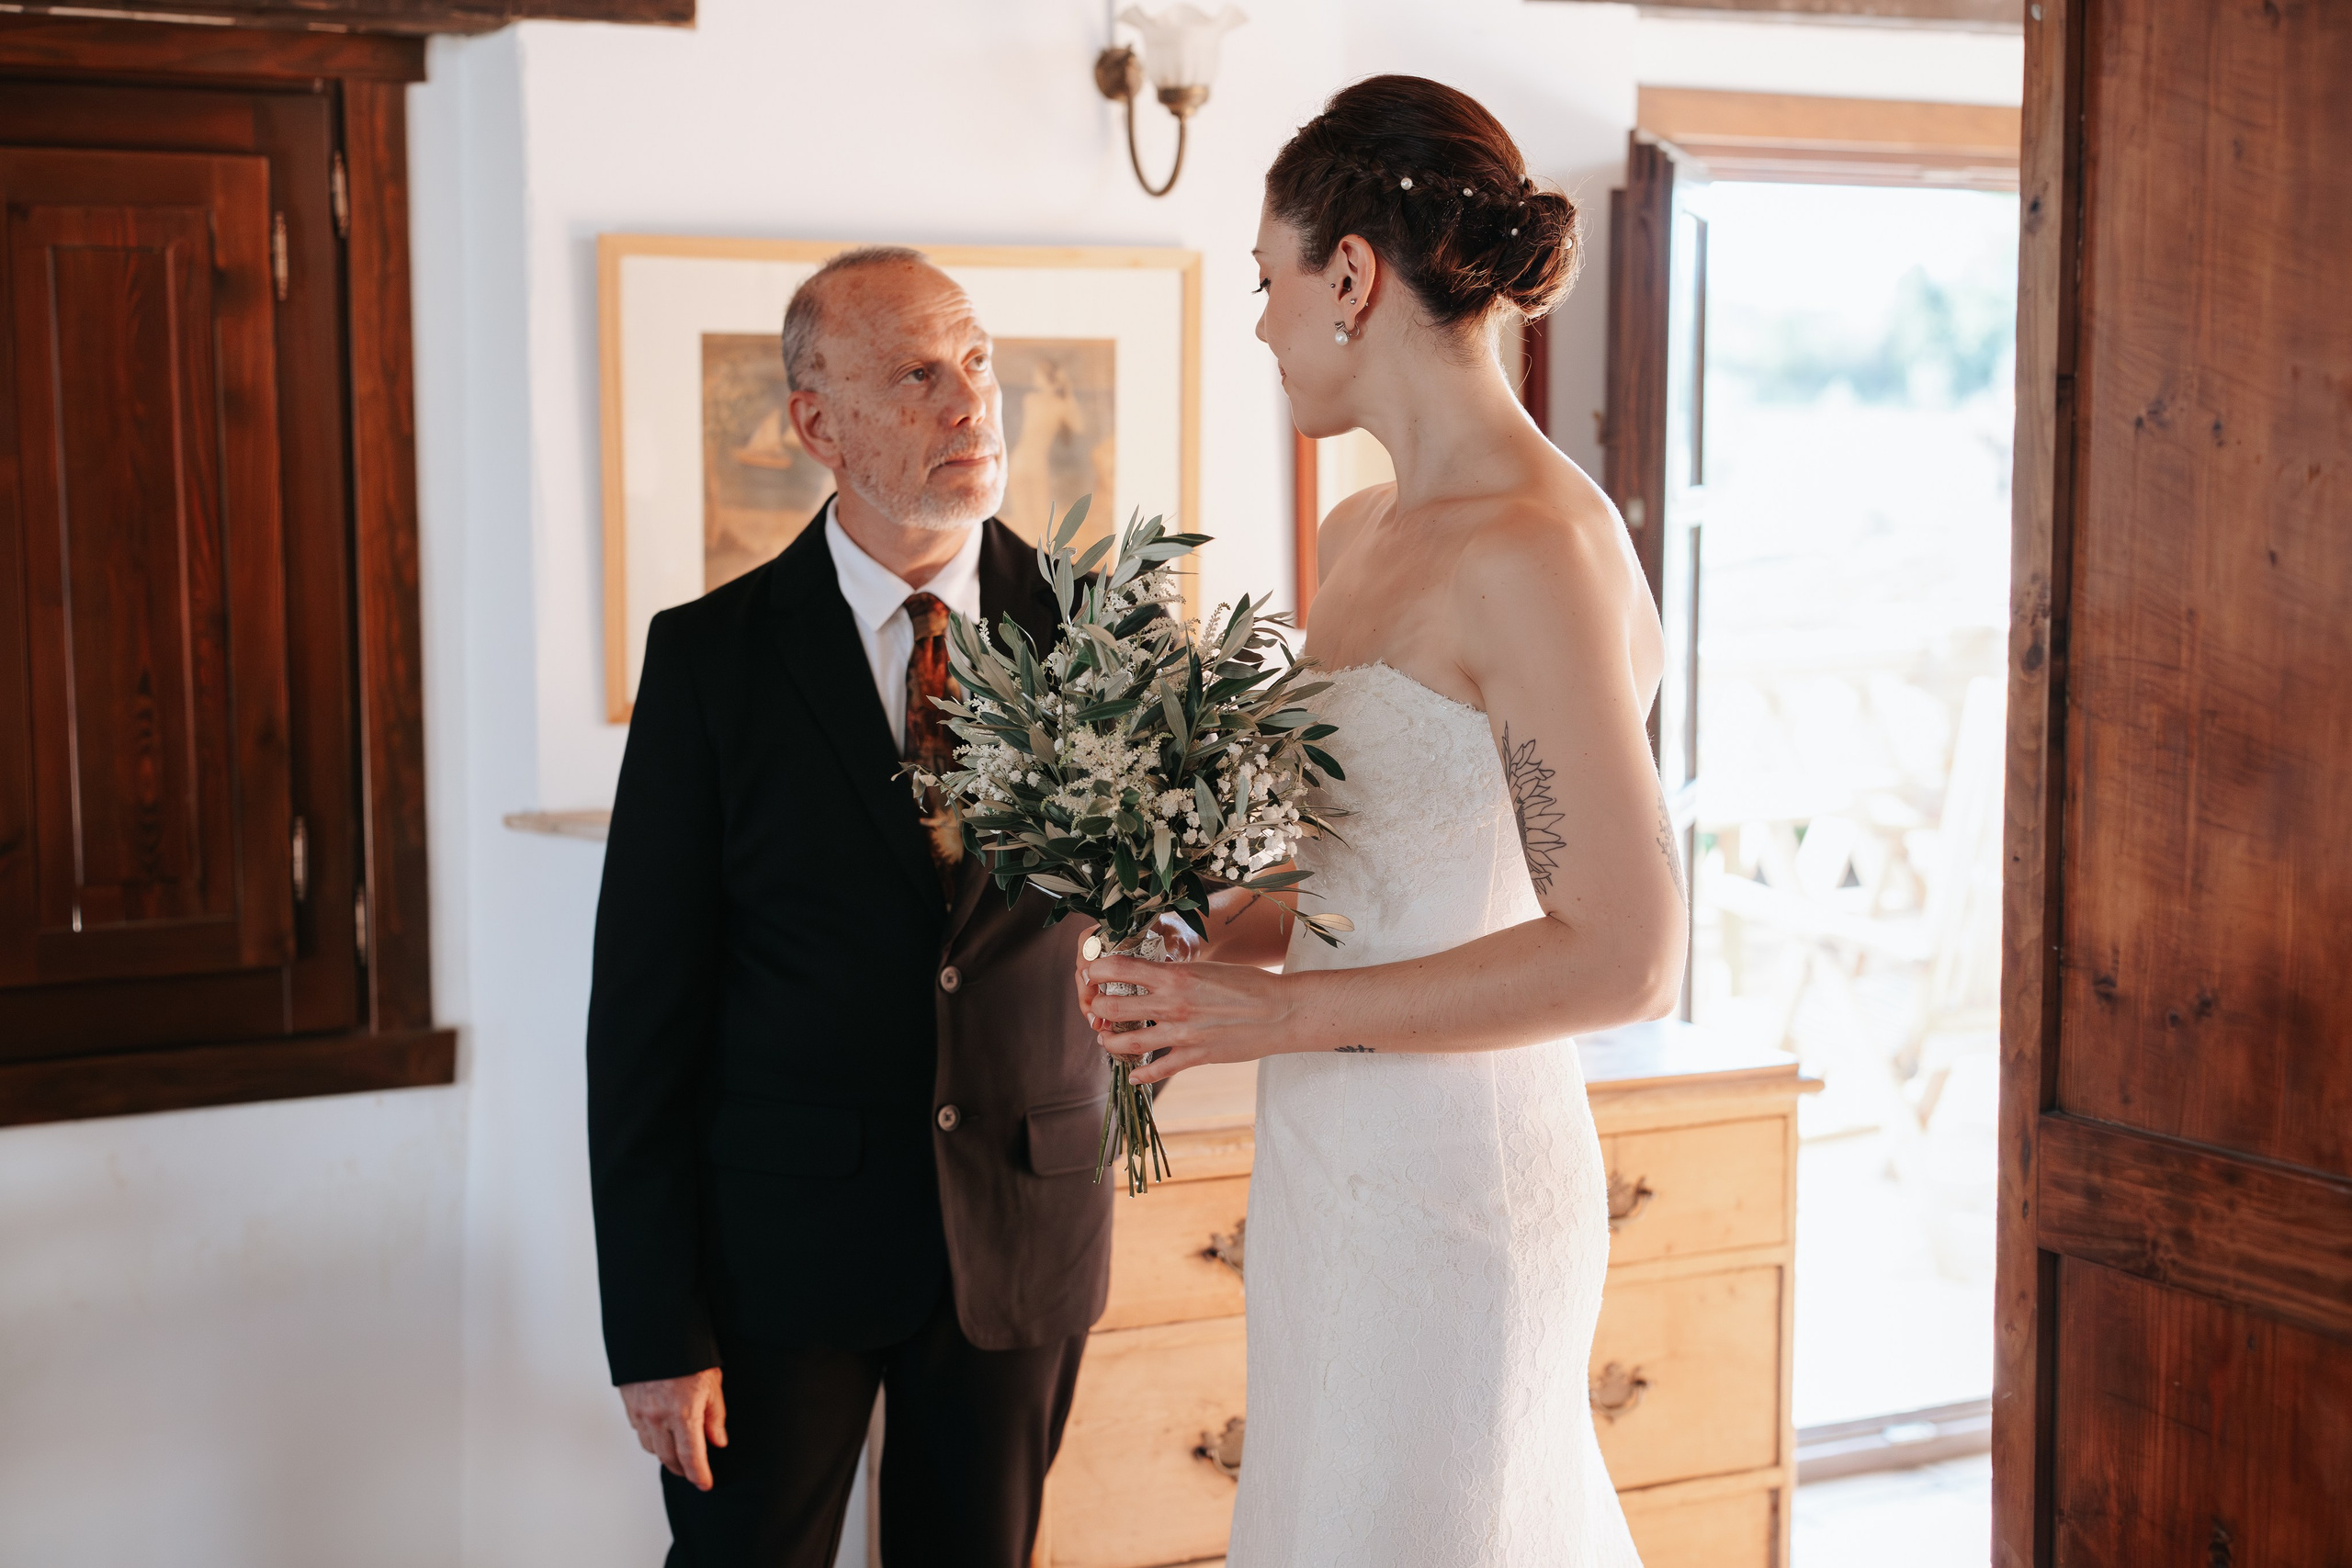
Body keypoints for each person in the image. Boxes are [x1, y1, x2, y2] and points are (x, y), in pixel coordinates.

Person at [1078, 78, 1683, 1567]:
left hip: (1459, 1187)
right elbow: (1377, 855)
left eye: (1267, 280)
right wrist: (1212, 943)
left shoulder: (1536, 551)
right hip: (1330, 1173)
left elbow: (1622, 958)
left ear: (1349, 276)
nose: (1262, 323)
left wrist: (1267, 1017)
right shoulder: (1360, 532)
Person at [590, 246, 1112, 1568]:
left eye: (979, 361)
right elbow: (640, 1023)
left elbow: (1150, 916)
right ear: (817, 423)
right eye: (918, 376)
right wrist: (657, 1330)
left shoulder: (1103, 639)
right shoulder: (711, 661)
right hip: (776, 1263)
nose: (970, 404)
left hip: (1021, 1236)